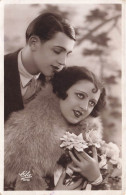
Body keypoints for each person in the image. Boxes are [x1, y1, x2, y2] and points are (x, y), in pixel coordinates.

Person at [4, 66, 106, 190]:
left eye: (92, 103)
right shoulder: (23, 130)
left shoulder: (90, 137)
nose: (85, 107)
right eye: (80, 95)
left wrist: (96, 178)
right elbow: (20, 177)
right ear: (62, 89)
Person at [4, 12, 75, 121]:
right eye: (57, 51)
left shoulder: (60, 82)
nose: (63, 62)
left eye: (67, 54)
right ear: (34, 43)